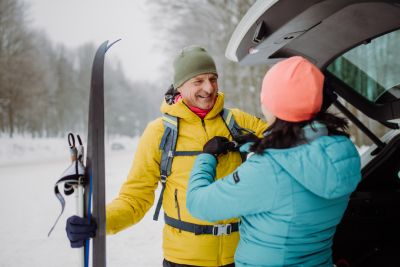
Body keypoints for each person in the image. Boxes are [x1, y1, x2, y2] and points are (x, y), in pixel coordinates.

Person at [66, 45, 268, 266]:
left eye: (213, 78)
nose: (209, 88)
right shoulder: (160, 132)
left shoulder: (238, 122)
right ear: (180, 86)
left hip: (240, 256)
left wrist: (261, 144)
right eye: (198, 81)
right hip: (183, 260)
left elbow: (288, 145)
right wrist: (98, 221)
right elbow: (135, 198)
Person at [186, 56, 362, 267]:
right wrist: (260, 145)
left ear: (274, 103)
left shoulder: (268, 170)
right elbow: (296, 164)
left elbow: (198, 204)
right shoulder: (339, 151)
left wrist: (206, 157)